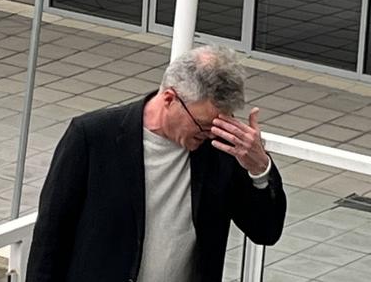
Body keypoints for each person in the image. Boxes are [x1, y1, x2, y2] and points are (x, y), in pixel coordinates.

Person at [26, 45, 287, 282]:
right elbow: (51, 237)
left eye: (219, 124)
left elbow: (265, 231)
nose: (209, 134)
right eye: (203, 124)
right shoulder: (93, 137)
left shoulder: (221, 149)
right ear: (170, 99)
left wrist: (259, 168)